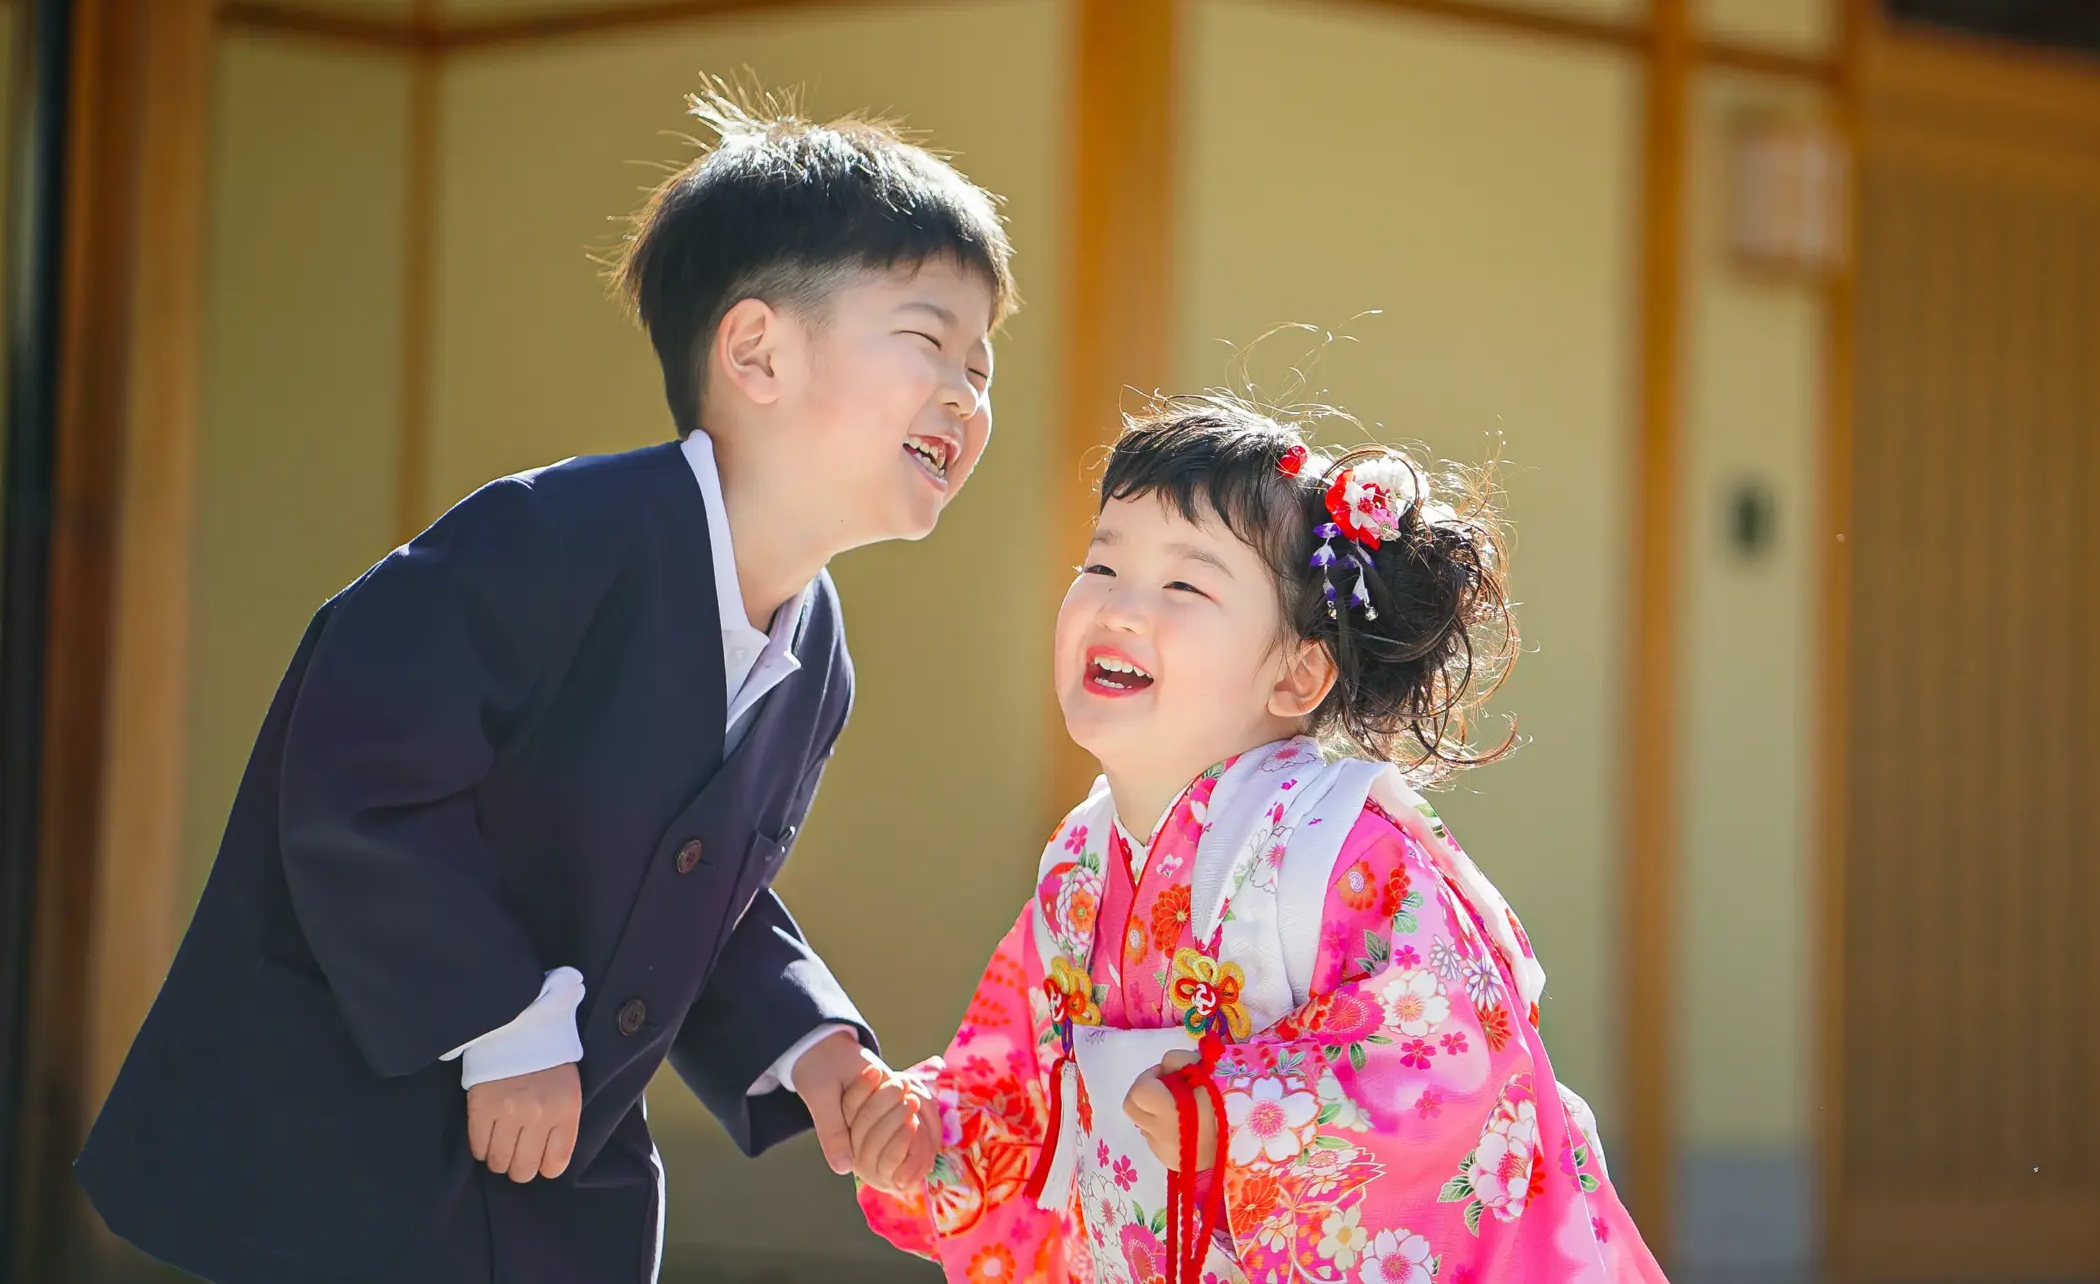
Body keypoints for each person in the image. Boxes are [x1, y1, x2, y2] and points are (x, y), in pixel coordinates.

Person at [77, 82, 984, 1284]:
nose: (966, 392)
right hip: (343, 1145)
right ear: (758, 351)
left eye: (982, 363)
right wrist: (501, 1017)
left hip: (551, 1185)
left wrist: (815, 1050)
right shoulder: (544, 539)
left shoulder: (815, 656)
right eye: (928, 341)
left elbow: (697, 896)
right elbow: (354, 775)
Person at [858, 398, 1669, 1284]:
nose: (1120, 607)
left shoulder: (1337, 849)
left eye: (1184, 585)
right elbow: (1023, 1074)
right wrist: (934, 1130)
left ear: (1298, 672)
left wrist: (1241, 1112)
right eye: (1101, 565)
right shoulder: (1081, 862)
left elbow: (1450, 1058)